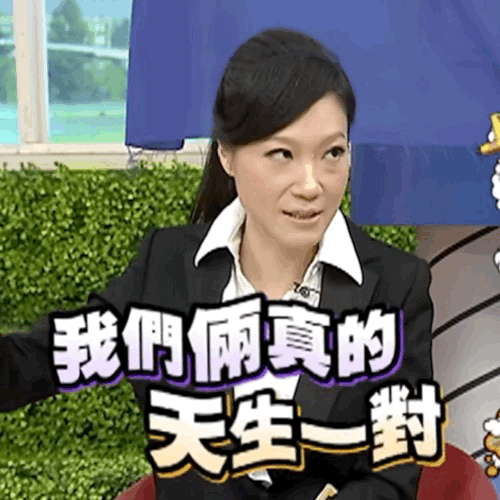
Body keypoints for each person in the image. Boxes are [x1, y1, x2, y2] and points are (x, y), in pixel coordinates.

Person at [1, 28, 433, 499]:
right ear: (227, 154)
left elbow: (394, 475)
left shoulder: (395, 286)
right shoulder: (166, 268)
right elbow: (43, 359)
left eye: (333, 153)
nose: (312, 185)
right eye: (282, 154)